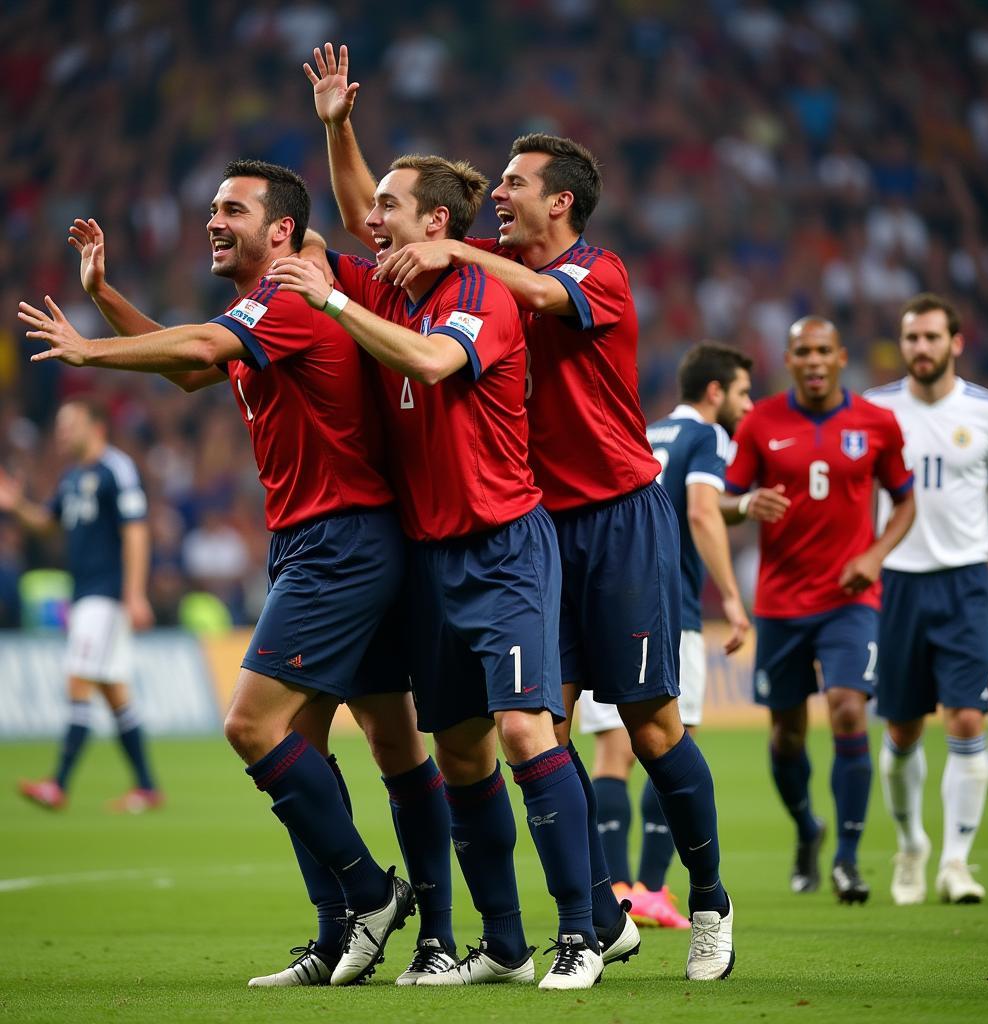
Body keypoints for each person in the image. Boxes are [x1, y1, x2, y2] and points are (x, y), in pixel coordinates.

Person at [309, 40, 733, 982]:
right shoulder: (480, 260)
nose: (499, 192)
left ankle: (708, 901)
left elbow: (535, 289)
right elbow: (370, 221)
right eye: (494, 183)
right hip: (533, 517)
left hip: (618, 517)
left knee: (653, 723)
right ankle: (585, 921)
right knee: (535, 726)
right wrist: (340, 126)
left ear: (561, 202)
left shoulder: (595, 271)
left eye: (515, 182)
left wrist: (453, 240)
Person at [20, 160, 455, 990]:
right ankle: (341, 939)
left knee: (257, 729)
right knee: (357, 741)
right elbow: (192, 367)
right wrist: (105, 295)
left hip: (344, 542)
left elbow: (197, 346)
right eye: (210, 207)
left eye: (232, 209)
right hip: (315, 541)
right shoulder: (261, 310)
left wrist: (87, 347)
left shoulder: (290, 299)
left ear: (281, 229)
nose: (213, 221)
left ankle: (374, 897)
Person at [267, 150, 605, 991]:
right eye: (373, 206)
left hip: (504, 547)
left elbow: (427, 364)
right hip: (430, 560)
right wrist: (339, 128)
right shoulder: (389, 289)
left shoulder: (480, 296)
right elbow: (345, 220)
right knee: (458, 753)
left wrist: (333, 298)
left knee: (527, 730)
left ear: (437, 225)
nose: (371, 220)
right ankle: (502, 945)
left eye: (391, 207)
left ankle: (583, 936)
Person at [576, 343, 768, 930]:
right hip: (671, 608)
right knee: (672, 745)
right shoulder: (708, 437)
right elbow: (702, 513)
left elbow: (693, 502)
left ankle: (609, 895)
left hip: (603, 603)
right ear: (715, 393)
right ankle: (655, 888)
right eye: (741, 392)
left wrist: (741, 505)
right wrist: (732, 598)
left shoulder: (649, 431)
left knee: (611, 753)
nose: (747, 403)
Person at [725, 316, 916, 903]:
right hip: (780, 604)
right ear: (788, 359)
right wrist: (747, 503)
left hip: (849, 599)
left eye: (823, 351)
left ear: (840, 358)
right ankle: (808, 827)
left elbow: (907, 503)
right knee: (786, 735)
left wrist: (877, 555)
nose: (813, 361)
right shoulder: (760, 422)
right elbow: (722, 500)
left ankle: (849, 860)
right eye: (803, 351)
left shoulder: (876, 423)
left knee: (848, 711)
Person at [865, 293, 988, 905]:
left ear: (956, 343)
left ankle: (957, 861)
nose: (921, 348)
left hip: (965, 582)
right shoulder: (876, 410)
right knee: (902, 731)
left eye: (933, 338)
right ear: (902, 345)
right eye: (912, 338)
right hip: (897, 582)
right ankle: (911, 845)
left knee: (965, 718)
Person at [1, 398, 161, 813]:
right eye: (59, 426)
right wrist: (16, 506)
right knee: (113, 693)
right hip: (85, 593)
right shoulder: (72, 477)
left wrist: (134, 592)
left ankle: (57, 784)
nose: (62, 433)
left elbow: (136, 531)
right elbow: (47, 521)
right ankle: (146, 787)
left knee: (79, 679)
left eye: (70, 424)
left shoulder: (116, 468)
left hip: (105, 596)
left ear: (97, 426)